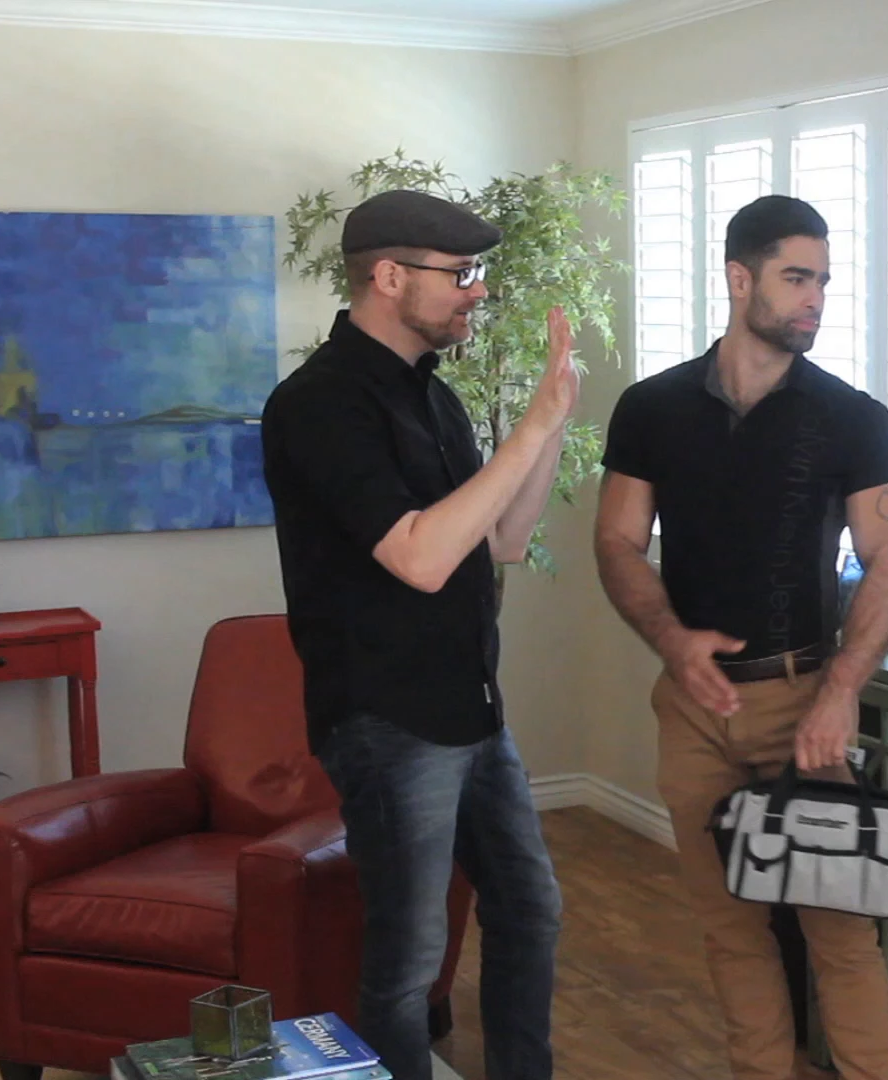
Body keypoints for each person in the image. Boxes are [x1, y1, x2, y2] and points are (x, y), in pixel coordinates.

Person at [593, 194, 888, 1080]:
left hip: (803, 705)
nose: (815, 299)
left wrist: (842, 692)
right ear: (740, 279)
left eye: (824, 282)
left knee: (839, 936)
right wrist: (672, 642)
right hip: (694, 707)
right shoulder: (652, 408)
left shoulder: (854, 419)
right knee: (730, 932)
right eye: (797, 278)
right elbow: (617, 542)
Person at [260, 189, 578, 1080]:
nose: (478, 291)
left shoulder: (435, 400)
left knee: (530, 909)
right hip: (386, 719)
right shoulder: (317, 404)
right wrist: (530, 429)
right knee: (408, 960)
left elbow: (504, 537)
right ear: (390, 277)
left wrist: (551, 422)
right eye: (461, 274)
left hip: (472, 709)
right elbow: (420, 558)